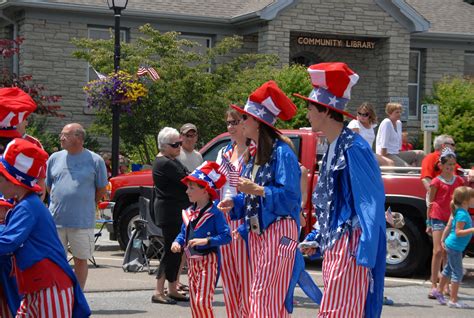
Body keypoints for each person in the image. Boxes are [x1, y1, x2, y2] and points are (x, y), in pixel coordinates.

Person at [294, 62, 386, 318]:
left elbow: (371, 202)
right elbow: (333, 206)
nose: (307, 113)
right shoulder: (335, 146)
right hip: (338, 245)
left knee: (338, 312)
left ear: (324, 110)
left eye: (310, 108)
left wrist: (365, 253)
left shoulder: (353, 148)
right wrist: (317, 237)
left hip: (351, 246)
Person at [218, 80, 310, 317]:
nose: (241, 123)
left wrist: (258, 190)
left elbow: (290, 198)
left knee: (262, 297)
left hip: (278, 232)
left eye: (245, 118)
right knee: (268, 301)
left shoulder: (282, 153)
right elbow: (251, 195)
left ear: (258, 123)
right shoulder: (256, 153)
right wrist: (236, 203)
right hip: (260, 234)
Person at [0, 138, 90, 316]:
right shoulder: (26, 204)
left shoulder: (28, 207)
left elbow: (7, 242)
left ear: (13, 180)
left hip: (50, 287)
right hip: (36, 286)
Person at [46, 123, 108, 290]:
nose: (61, 137)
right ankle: (58, 294)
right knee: (55, 259)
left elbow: (102, 188)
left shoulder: (95, 160)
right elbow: (49, 186)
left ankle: (77, 296)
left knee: (81, 259)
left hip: (82, 221)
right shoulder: (54, 158)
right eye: (61, 134)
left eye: (65, 134)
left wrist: (86, 202)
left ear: (79, 138)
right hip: (56, 220)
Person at [171, 161, 231, 317]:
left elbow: (226, 236)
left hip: (209, 261)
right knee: (195, 304)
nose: (187, 191)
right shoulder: (189, 212)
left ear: (205, 190)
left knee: (202, 302)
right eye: (187, 187)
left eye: (192, 188)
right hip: (192, 262)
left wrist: (206, 241)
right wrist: (177, 242)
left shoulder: (215, 213)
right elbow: (183, 233)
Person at [215, 108, 252, 317]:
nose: (231, 127)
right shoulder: (225, 152)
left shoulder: (254, 151)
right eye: (228, 122)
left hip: (243, 217)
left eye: (235, 122)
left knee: (245, 276)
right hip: (224, 217)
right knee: (228, 276)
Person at [151, 127, 190, 305]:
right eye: (175, 144)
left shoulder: (170, 160)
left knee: (177, 250)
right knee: (170, 250)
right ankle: (158, 290)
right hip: (170, 211)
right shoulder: (165, 163)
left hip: (175, 210)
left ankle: (173, 288)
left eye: (180, 143)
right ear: (164, 146)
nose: (179, 147)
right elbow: (187, 179)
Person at [426, 148, 465, 299]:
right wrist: (428, 221)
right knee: (437, 251)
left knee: (448, 251)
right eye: (447, 164)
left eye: (452, 164)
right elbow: (431, 202)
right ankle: (434, 284)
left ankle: (446, 283)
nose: (450, 167)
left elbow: (461, 202)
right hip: (437, 218)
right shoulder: (436, 182)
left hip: (453, 220)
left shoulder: (459, 181)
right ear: (441, 166)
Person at [434, 186, 474, 308]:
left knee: (448, 269)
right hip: (455, 247)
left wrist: (443, 239)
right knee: (457, 273)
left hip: (453, 246)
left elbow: (451, 228)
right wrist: (472, 229)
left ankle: (439, 291)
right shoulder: (462, 214)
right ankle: (453, 299)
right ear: (465, 202)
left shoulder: (461, 212)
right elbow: (458, 232)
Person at [375, 102, 424, 167]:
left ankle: (420, 173)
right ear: (390, 113)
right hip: (386, 154)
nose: (399, 114)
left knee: (420, 153)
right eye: (397, 112)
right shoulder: (386, 123)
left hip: (396, 153)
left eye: (400, 112)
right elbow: (384, 144)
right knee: (409, 169)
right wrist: (385, 161)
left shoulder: (398, 123)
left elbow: (399, 144)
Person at [348, 102, 394, 166]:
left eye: (365, 114)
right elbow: (354, 142)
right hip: (359, 153)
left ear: (370, 115)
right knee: (388, 163)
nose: (361, 116)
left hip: (368, 153)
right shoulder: (355, 123)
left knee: (390, 163)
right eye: (360, 113)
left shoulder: (372, 125)